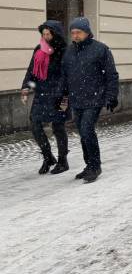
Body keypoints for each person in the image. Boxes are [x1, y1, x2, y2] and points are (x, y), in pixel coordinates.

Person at [60, 17, 119, 183]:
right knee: (82, 133)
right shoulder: (69, 52)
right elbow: (64, 76)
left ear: (87, 32)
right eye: (72, 33)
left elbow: (111, 75)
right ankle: (89, 165)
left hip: (94, 98)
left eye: (78, 32)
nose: (75, 35)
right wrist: (62, 96)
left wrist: (111, 96)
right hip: (76, 99)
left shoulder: (101, 49)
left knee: (86, 130)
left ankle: (95, 166)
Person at [21, 20, 69, 175]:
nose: (46, 36)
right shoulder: (39, 49)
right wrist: (27, 88)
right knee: (35, 123)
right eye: (44, 34)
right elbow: (32, 72)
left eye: (49, 34)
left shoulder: (64, 50)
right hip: (42, 93)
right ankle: (48, 157)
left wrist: (62, 93)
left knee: (58, 126)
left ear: (56, 34)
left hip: (62, 95)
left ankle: (63, 161)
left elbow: (67, 74)